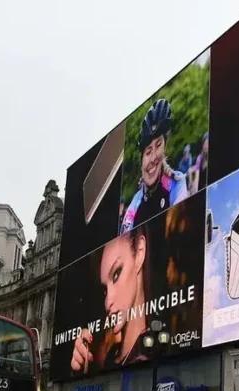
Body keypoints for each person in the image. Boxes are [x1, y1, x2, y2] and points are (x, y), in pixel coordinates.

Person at [69, 228, 153, 373]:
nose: (108, 302)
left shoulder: (156, 347)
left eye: (116, 274)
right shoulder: (109, 358)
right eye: (105, 290)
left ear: (140, 252)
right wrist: (81, 368)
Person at [120, 98, 189, 235]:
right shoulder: (135, 203)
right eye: (148, 152)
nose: (153, 158)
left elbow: (180, 231)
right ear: (141, 161)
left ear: (165, 148)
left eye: (158, 145)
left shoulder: (176, 184)